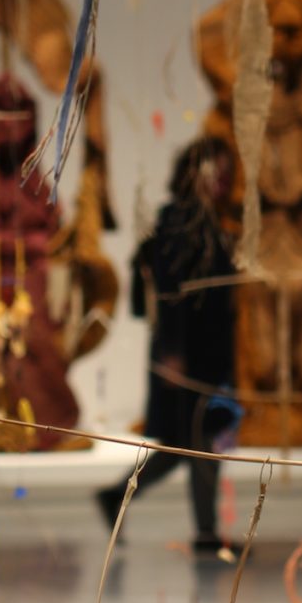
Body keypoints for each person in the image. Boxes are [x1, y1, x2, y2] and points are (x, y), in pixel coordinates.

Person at [98, 139, 238, 552]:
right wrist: (174, 353)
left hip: (204, 353)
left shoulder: (205, 223)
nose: (224, 181)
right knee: (198, 440)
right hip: (186, 355)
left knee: (184, 443)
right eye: (217, 171)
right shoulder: (181, 224)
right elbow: (173, 294)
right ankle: (207, 532)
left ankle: (116, 496)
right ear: (196, 174)